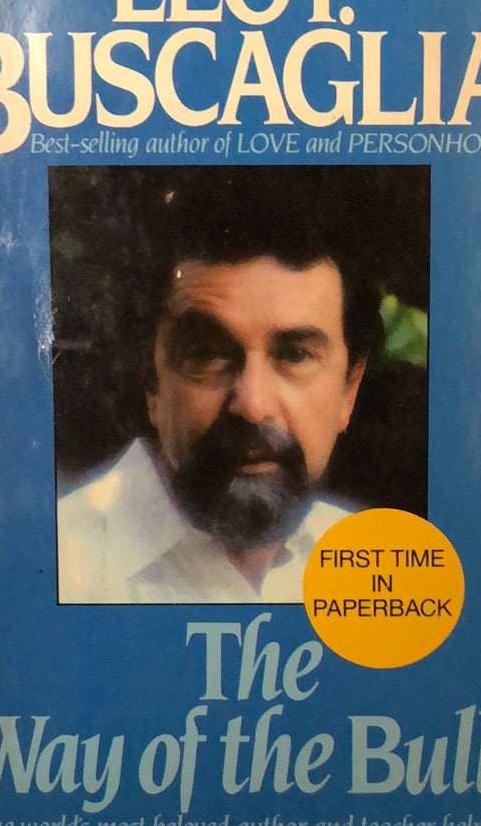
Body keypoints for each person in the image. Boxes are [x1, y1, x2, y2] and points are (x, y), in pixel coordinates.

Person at [55, 175, 382, 604]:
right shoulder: (58, 571)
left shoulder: (375, 572)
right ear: (152, 382)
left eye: (295, 355)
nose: (252, 405)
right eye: (207, 355)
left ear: (349, 390)